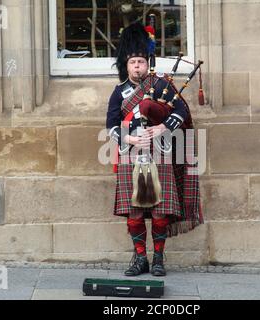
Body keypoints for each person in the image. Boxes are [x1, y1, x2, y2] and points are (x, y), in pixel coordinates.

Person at [106, 22, 204, 277]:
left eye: (140, 61)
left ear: (147, 62)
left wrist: (162, 128)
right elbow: (111, 126)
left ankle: (158, 257)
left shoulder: (161, 85)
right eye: (132, 62)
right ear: (125, 66)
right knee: (134, 211)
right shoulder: (119, 93)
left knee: (161, 210)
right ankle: (140, 259)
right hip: (131, 156)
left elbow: (182, 111)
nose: (136, 66)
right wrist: (128, 139)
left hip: (160, 153)